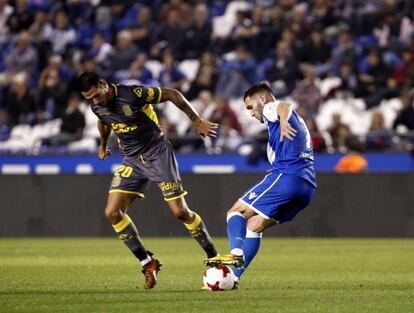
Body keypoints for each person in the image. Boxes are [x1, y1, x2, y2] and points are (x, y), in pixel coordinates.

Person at [77, 71, 219, 289]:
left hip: (157, 152)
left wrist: (197, 120)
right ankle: (147, 262)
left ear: (104, 84)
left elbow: (172, 94)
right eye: (90, 99)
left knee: (180, 212)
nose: (94, 101)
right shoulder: (96, 105)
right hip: (132, 159)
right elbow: (103, 121)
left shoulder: (132, 93)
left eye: (96, 95)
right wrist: (103, 145)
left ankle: (213, 257)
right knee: (112, 213)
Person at [205, 83, 317, 286]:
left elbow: (284, 105)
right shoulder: (292, 124)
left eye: (250, 107)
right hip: (307, 187)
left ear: (262, 99)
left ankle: (236, 253)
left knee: (235, 212)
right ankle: (233, 278)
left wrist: (283, 120)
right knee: (254, 226)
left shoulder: (271, 108)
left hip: (288, 176)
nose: (250, 113)